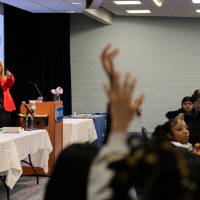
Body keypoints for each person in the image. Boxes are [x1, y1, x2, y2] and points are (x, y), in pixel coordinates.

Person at [87, 44, 200, 200]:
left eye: (185, 128)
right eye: (180, 129)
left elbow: (108, 183)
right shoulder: (179, 161)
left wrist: (118, 125)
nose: (186, 131)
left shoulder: (165, 158)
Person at [0, 62, 16, 127]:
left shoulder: (4, 78)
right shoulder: (3, 78)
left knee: (4, 127)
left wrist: (10, 76)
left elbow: (11, 82)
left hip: (4, 106)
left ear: (1, 69)